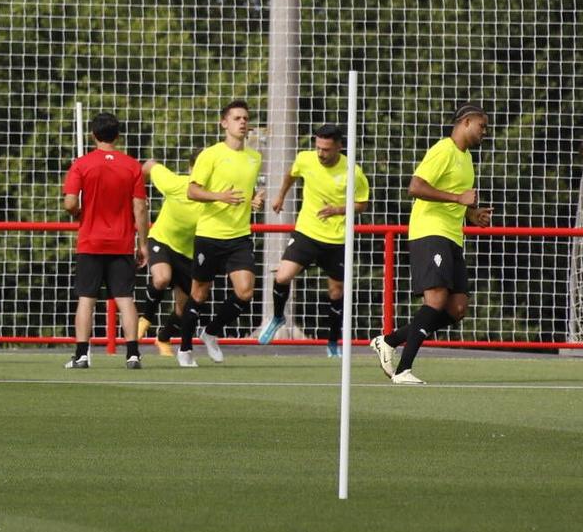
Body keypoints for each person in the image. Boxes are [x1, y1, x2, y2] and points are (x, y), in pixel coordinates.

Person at [371, 104, 491, 386]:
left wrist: (474, 215)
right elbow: (415, 186)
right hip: (429, 232)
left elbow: (458, 201)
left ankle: (389, 341)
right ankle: (403, 371)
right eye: (481, 126)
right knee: (435, 300)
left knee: (457, 308)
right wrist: (457, 199)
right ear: (466, 122)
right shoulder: (443, 149)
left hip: (452, 236)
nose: (484, 132)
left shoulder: (466, 157)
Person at [259, 124, 371, 357]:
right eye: (318, 147)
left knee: (337, 292)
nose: (321, 153)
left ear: (339, 146)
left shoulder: (353, 171)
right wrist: (280, 195)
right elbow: (292, 174)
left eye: (326, 149)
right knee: (282, 276)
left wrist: (338, 210)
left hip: (336, 239)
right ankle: (278, 317)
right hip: (307, 232)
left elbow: (362, 204)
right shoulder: (305, 159)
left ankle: (332, 343)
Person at [61, 112, 147, 370]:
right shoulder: (132, 166)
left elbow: (70, 202)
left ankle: (82, 355)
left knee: (86, 298)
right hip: (121, 241)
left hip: (91, 241)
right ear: (118, 136)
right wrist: (143, 244)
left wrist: (77, 212)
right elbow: (140, 208)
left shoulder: (81, 164)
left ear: (93, 135)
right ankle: (133, 354)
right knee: (125, 298)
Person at [181, 100, 264, 362]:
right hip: (209, 235)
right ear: (224, 123)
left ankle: (211, 332)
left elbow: (244, 189)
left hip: (239, 236)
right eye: (237, 118)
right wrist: (219, 196)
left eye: (245, 118)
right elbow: (192, 190)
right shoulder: (211, 154)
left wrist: (253, 199)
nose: (242, 123)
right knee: (198, 293)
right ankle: (184, 349)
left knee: (245, 292)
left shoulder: (254, 157)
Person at [138, 159, 201, 365]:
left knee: (183, 309)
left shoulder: (215, 197)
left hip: (188, 254)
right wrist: (138, 193)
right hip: (162, 241)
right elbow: (149, 165)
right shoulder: (175, 183)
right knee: (162, 278)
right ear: (191, 169)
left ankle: (163, 338)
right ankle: (145, 318)